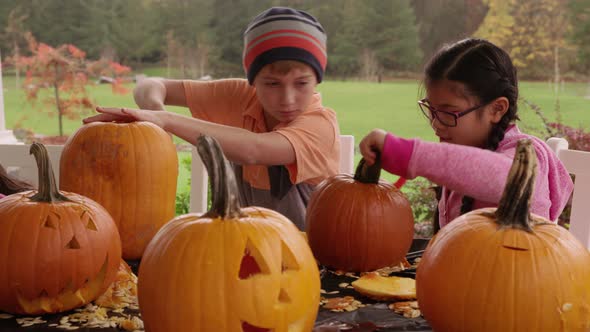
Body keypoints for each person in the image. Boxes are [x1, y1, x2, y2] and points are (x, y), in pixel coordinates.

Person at [83, 7, 341, 230]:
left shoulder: (320, 125)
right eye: (272, 83)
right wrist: (154, 111)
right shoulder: (241, 96)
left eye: (301, 83)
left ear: (317, 79)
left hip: (316, 260)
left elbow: (254, 149)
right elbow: (150, 85)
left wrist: (165, 119)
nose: (287, 98)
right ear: (253, 80)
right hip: (253, 247)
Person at [359, 38, 573, 230]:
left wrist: (409, 155)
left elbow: (503, 177)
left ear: (497, 109)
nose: (436, 124)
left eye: (448, 112)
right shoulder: (465, 150)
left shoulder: (528, 156)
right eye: (431, 110)